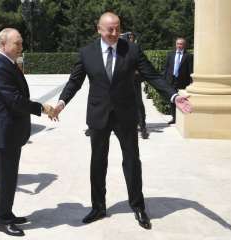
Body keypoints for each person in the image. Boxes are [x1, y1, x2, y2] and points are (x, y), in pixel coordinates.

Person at [52, 12, 192, 230]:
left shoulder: (132, 50)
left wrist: (174, 96)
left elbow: (153, 76)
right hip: (99, 115)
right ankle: (98, 206)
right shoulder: (87, 53)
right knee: (98, 162)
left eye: (118, 28)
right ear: (98, 29)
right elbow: (74, 82)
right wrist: (61, 103)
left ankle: (137, 206)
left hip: (125, 115)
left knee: (132, 161)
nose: (115, 33)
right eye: (110, 29)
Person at [0, 28, 53, 237]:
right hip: (4, 133)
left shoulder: (9, 64)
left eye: (21, 42)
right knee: (6, 178)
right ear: (3, 45)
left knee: (10, 177)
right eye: (17, 43)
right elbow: (15, 101)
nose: (21, 46)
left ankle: (7, 212)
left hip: (11, 132)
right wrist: (41, 108)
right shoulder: (0, 68)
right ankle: (2, 219)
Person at [121, 32, 149, 139]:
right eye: (129, 38)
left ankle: (143, 128)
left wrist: (139, 72)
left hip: (135, 81)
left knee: (138, 104)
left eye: (132, 38)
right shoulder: (120, 50)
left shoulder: (137, 50)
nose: (131, 39)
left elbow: (143, 64)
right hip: (122, 82)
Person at [163, 37, 193, 124]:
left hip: (183, 82)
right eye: (178, 44)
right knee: (172, 100)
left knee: (183, 100)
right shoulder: (170, 54)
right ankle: (174, 118)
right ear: (176, 45)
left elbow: (190, 70)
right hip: (171, 81)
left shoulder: (188, 56)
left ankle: (183, 118)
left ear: (184, 45)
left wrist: (191, 82)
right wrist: (164, 80)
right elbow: (166, 68)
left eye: (181, 44)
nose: (179, 45)